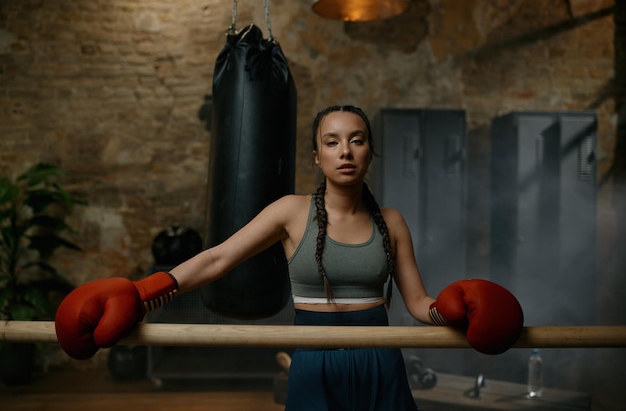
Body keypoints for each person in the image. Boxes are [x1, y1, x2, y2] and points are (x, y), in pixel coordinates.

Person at [55, 105, 523, 411]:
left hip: (380, 359)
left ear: (369, 152)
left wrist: (451, 309)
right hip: (314, 360)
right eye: (332, 141)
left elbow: (418, 304)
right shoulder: (291, 212)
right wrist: (144, 291)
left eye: (357, 140)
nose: (345, 150)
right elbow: (218, 259)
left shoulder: (392, 221)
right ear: (317, 156)